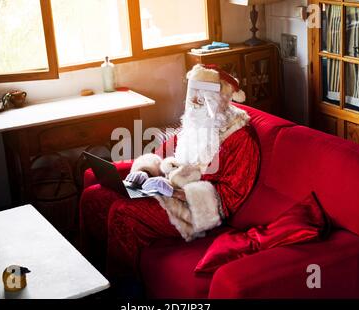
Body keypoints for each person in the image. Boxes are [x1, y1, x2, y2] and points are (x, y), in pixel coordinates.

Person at [79, 64, 261, 286]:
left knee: (122, 212)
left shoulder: (241, 138)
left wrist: (177, 192)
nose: (193, 101)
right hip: (170, 194)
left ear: (220, 98)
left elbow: (229, 199)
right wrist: (144, 173)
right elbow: (161, 154)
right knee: (94, 197)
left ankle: (122, 291)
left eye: (202, 95)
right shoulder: (195, 122)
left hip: (201, 211)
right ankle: (91, 279)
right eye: (192, 93)